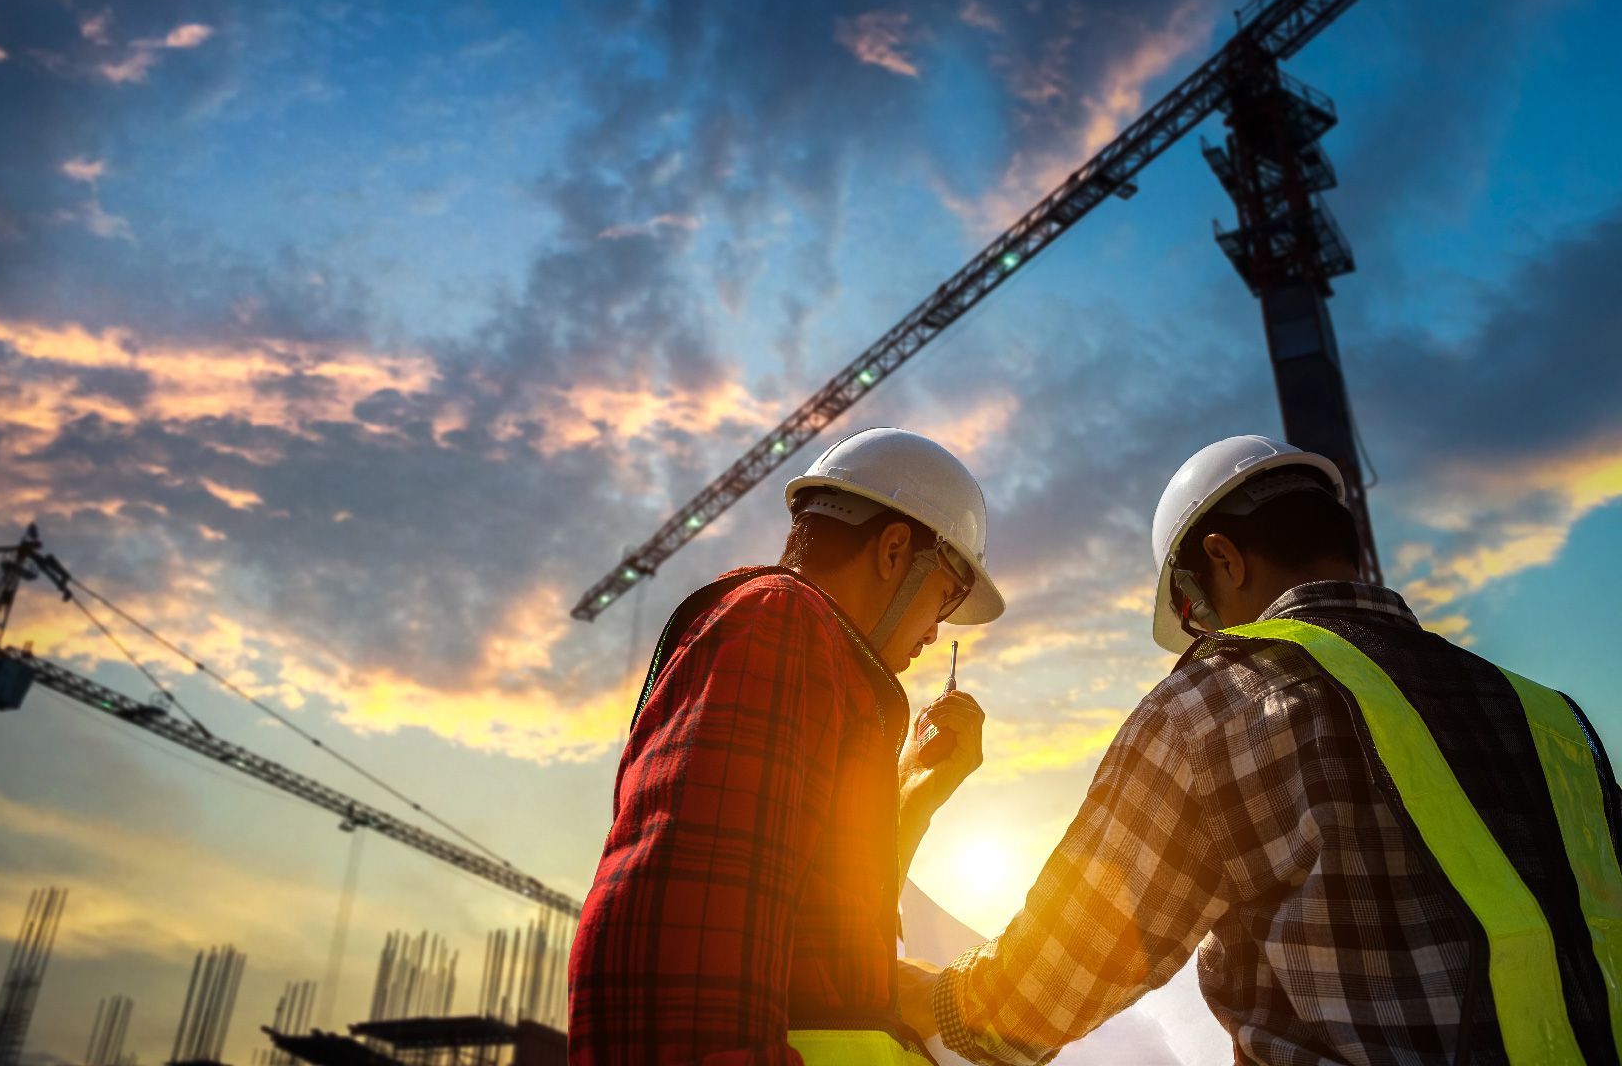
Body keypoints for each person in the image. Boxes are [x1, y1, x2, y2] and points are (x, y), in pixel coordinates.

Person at [899, 434, 1622, 1065]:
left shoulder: (1217, 705)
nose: (1201, 635)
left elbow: (1051, 983)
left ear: (1223, 558)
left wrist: (935, 1000)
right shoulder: (1552, 719)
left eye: (1191, 610)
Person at [568, 427, 1005, 1066]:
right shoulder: (780, 625)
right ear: (892, 551)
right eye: (944, 596)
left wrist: (911, 795)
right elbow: (685, 956)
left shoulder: (813, 654)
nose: (937, 633)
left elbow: (829, 953)